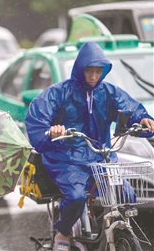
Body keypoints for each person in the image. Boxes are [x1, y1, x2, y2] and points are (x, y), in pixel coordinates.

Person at [24, 41, 154, 251]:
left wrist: (144, 120)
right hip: (66, 158)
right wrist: (52, 131)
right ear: (79, 69)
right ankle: (63, 233)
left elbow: (130, 109)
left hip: (100, 157)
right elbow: (37, 122)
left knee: (127, 195)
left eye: (98, 71)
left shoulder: (109, 92)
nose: (93, 77)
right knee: (75, 197)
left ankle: (111, 228)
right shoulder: (58, 93)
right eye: (89, 71)